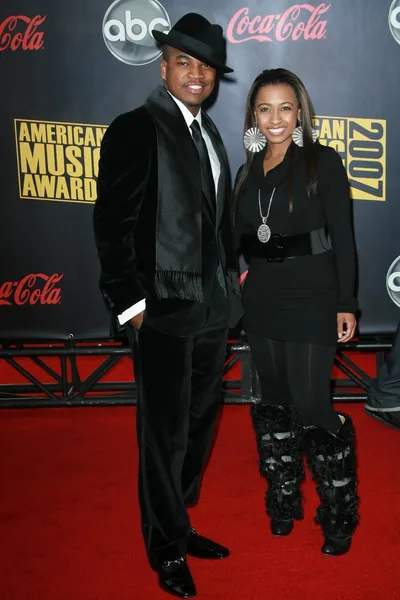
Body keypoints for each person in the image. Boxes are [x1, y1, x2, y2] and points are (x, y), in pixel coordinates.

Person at [93, 13, 242, 599]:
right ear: (163, 67)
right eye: (185, 61)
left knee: (200, 424)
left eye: (205, 65)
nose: (196, 73)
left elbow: (214, 220)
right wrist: (129, 302)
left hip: (211, 310)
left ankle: (178, 522)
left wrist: (236, 274)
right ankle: (164, 548)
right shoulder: (134, 128)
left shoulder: (210, 133)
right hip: (158, 309)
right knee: (163, 432)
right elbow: (112, 223)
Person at [234, 68, 359, 556]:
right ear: (253, 116)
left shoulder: (321, 162)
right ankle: (283, 499)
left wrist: (346, 302)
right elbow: (236, 238)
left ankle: (339, 511)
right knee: (275, 402)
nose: (276, 119)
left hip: (312, 294)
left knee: (312, 406)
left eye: (286, 107)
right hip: (262, 295)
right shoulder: (248, 169)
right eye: (265, 109)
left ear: (300, 112)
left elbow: (344, 238)